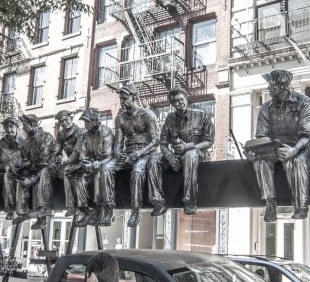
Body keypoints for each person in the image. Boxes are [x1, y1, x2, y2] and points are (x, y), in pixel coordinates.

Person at [244, 70, 310, 222]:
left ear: (283, 86)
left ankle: (301, 205)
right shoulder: (265, 107)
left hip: (298, 146)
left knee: (297, 160)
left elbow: (306, 135)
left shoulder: (303, 102)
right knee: (260, 160)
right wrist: (256, 150)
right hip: (274, 147)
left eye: (272, 85)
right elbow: (262, 135)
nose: (268, 88)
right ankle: (270, 203)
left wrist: (294, 150)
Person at [98, 85, 159, 227]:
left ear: (134, 97)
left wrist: (140, 152)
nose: (122, 101)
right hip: (127, 153)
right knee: (105, 169)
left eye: (125, 98)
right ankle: (108, 208)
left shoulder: (147, 114)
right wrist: (120, 155)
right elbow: (118, 145)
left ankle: (135, 210)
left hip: (144, 153)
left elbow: (156, 140)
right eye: (121, 99)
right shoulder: (120, 118)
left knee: (137, 171)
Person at [147, 87, 214, 216]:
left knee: (190, 155)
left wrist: (188, 147)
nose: (180, 103)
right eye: (176, 101)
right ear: (172, 104)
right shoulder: (169, 119)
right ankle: (158, 201)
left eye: (181, 99)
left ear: (186, 99)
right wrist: (169, 156)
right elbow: (163, 143)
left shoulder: (201, 115)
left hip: (197, 154)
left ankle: (190, 200)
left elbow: (209, 141)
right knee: (153, 158)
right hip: (176, 155)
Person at [67, 108, 114, 226]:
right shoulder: (84, 136)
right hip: (90, 165)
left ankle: (106, 209)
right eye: (85, 122)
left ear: (96, 120)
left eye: (88, 122)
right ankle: (86, 211)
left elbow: (108, 156)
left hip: (103, 164)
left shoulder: (106, 132)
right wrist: (83, 163)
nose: (86, 124)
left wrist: (95, 164)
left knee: (100, 173)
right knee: (79, 179)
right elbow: (83, 155)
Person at [16, 114, 56, 230]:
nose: (23, 128)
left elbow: (44, 162)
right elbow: (24, 158)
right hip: (33, 169)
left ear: (33, 124)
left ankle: (43, 209)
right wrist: (24, 166)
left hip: (48, 169)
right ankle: (22, 210)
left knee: (43, 174)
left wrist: (32, 175)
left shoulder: (45, 137)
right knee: (21, 178)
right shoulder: (25, 141)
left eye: (25, 125)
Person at [0, 116, 24, 221]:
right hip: (5, 172)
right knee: (7, 176)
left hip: (21, 171)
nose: (9, 129)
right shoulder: (1, 143)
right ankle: (9, 209)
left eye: (11, 126)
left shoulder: (23, 142)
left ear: (17, 127)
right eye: (6, 127)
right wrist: (3, 166)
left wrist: (20, 167)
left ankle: (19, 208)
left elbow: (29, 159)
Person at [53, 110, 85, 217]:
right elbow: (56, 150)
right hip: (69, 163)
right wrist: (57, 159)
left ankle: (71, 206)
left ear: (71, 119)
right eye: (61, 121)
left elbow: (76, 152)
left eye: (66, 119)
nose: (64, 122)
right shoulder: (61, 134)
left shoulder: (80, 132)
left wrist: (63, 166)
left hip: (81, 162)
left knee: (67, 171)